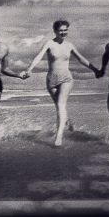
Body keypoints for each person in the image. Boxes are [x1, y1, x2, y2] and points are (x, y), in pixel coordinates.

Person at [26, 18, 101, 147]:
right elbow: (39, 56)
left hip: (66, 78)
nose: (63, 33)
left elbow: (81, 59)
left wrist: (94, 69)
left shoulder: (69, 45)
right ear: (55, 31)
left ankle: (58, 137)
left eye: (65, 30)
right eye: (60, 30)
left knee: (61, 105)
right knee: (60, 108)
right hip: (51, 80)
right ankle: (68, 122)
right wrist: (29, 69)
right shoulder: (49, 43)